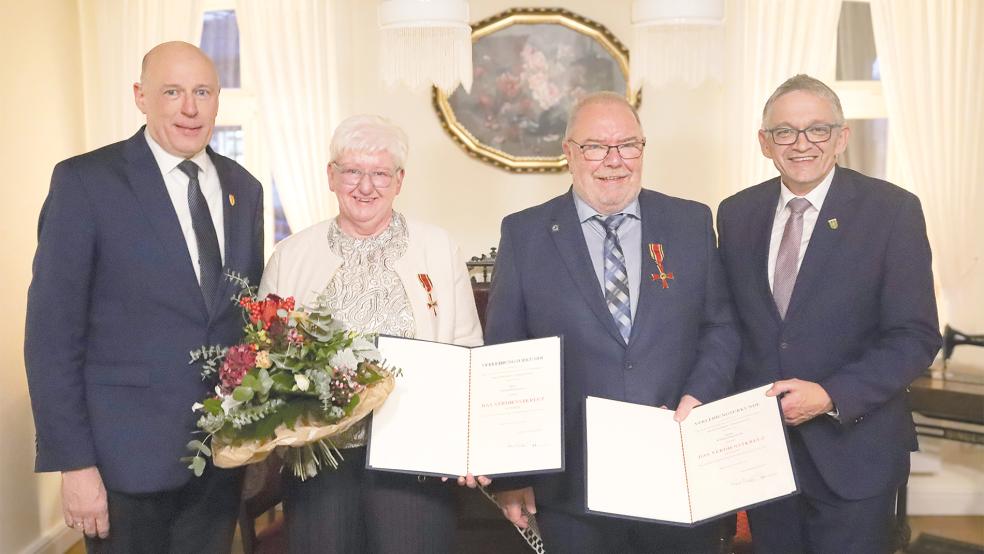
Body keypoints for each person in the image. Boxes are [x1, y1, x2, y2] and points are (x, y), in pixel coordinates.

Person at [24, 41, 264, 553]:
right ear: (141, 97)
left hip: (218, 461)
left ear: (219, 98)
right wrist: (75, 465)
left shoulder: (245, 189)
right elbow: (51, 336)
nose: (190, 108)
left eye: (202, 92)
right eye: (172, 92)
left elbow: (242, 321)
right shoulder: (85, 183)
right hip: (122, 465)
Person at [483, 92, 740, 553]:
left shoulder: (690, 222)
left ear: (643, 149)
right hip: (572, 487)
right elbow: (506, 358)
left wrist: (697, 397)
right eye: (595, 147)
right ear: (568, 153)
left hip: (678, 468)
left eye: (627, 145)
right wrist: (512, 475)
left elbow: (719, 327)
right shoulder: (524, 234)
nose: (613, 161)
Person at [716, 74, 941, 554]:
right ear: (764, 142)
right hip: (764, 457)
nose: (801, 144)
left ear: (841, 137)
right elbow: (730, 326)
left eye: (817, 129)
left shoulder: (892, 211)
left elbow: (915, 335)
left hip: (855, 453)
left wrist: (830, 395)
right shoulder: (735, 214)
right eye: (784, 132)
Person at [258, 114, 484, 553]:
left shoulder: (438, 248)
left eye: (380, 173)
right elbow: (266, 358)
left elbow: (466, 351)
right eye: (352, 171)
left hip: (416, 461)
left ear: (399, 180)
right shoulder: (290, 256)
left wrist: (465, 445)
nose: (366, 186)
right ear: (330, 176)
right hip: (319, 461)